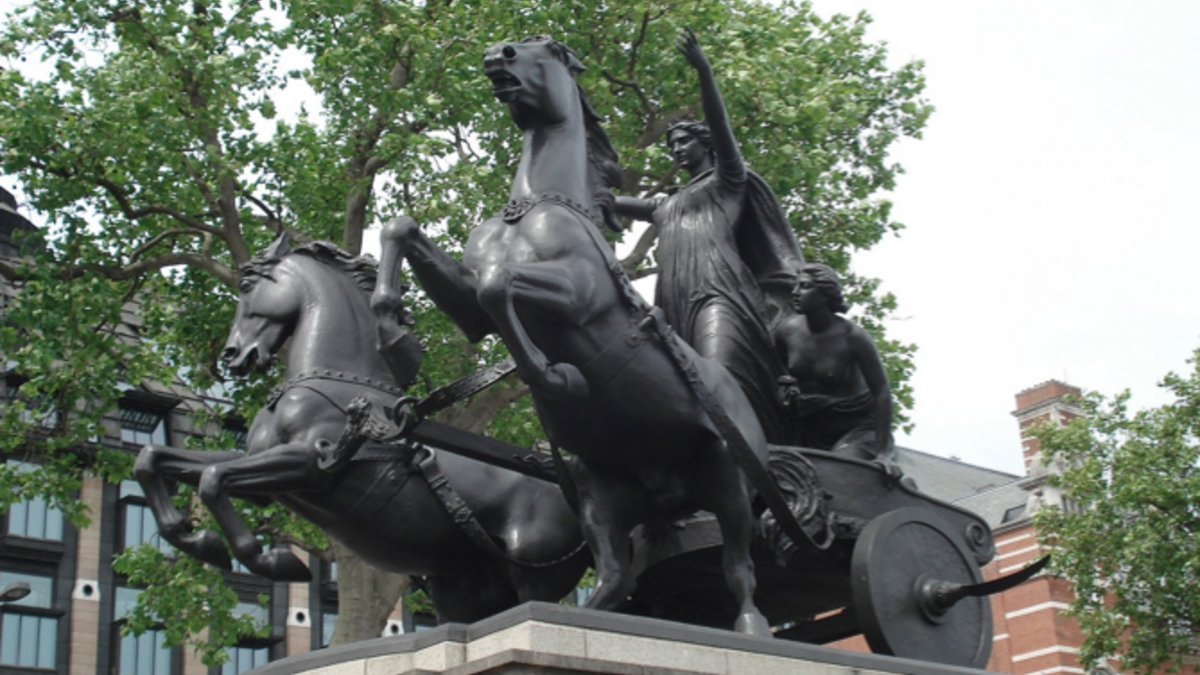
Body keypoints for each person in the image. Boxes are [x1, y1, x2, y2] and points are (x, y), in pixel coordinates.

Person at [615, 28, 803, 443]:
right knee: (677, 390)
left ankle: (761, 462)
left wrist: (704, 72)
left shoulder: (728, 181)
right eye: (672, 146)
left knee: (723, 377)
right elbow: (608, 201)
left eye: (684, 141)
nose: (677, 150)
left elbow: (721, 127)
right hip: (673, 301)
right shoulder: (665, 204)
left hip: (720, 292)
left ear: (704, 144)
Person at [774, 263, 895, 463]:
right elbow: (776, 374)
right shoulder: (786, 331)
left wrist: (883, 453)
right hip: (809, 428)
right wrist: (786, 391)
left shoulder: (854, 337)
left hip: (855, 430)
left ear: (825, 294)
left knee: (838, 468)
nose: (795, 292)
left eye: (804, 286)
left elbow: (881, 390)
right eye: (795, 286)